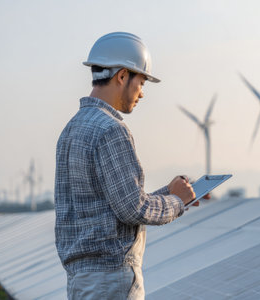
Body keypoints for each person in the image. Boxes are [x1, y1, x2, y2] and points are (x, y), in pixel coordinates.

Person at [54, 32, 198, 300]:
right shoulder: (111, 129)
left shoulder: (70, 130)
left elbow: (113, 205)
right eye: (141, 82)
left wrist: (171, 193)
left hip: (81, 282)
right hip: (112, 281)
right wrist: (177, 202)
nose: (142, 93)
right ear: (122, 76)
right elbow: (133, 208)